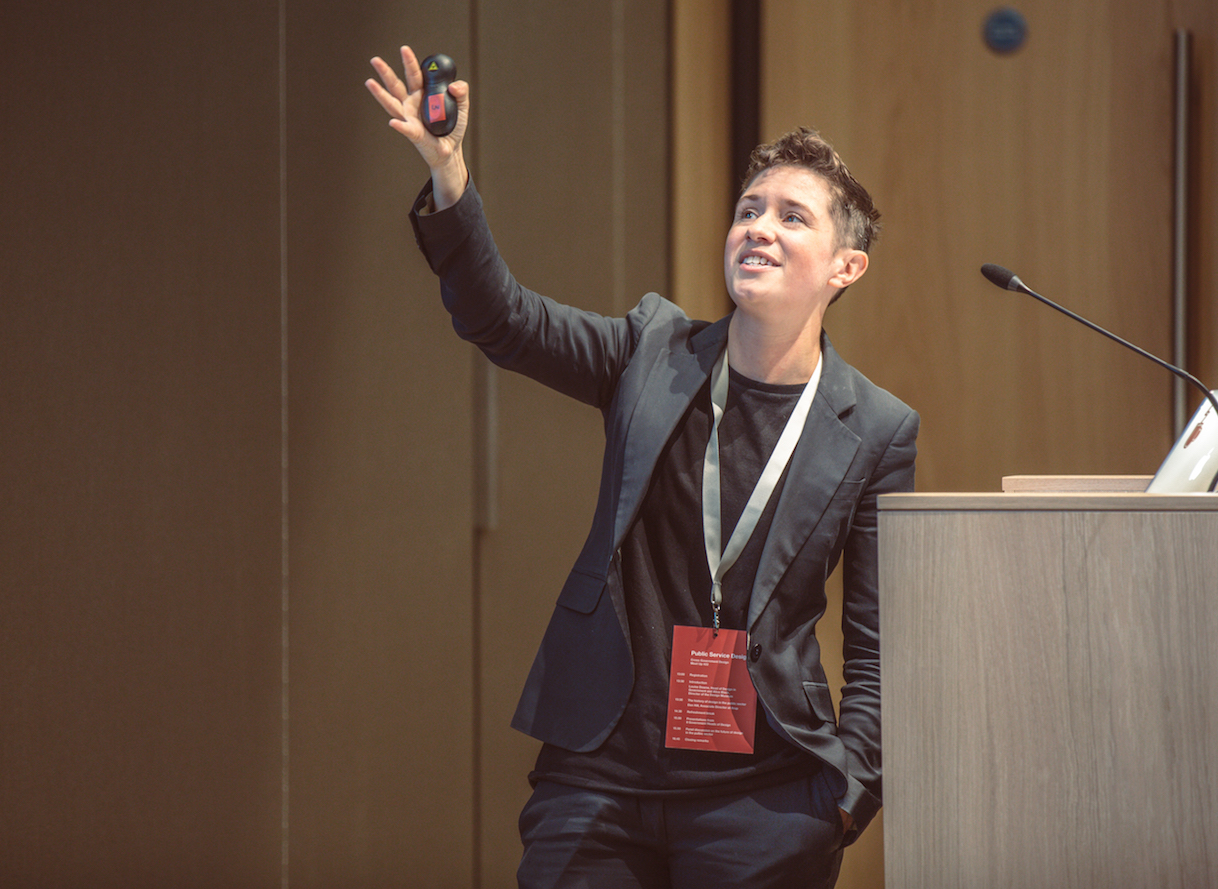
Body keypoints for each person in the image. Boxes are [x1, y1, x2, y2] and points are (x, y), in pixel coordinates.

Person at [367, 45, 918, 889]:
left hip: (764, 799)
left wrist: (844, 794)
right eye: (748, 208)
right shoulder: (650, 351)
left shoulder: (876, 428)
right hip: (598, 779)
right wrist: (449, 174)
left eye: (791, 216)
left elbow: (881, 643)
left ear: (846, 268)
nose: (758, 227)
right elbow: (501, 318)